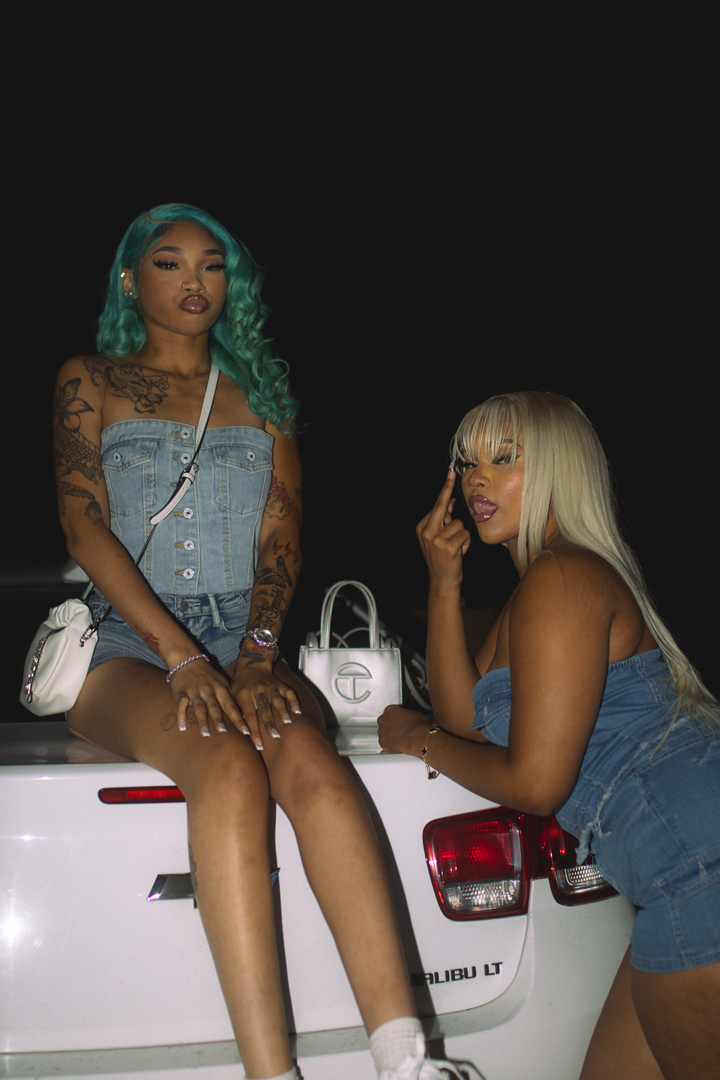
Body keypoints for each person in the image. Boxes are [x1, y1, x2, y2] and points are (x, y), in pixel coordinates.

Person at [55, 204, 465, 1080]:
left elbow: (282, 535)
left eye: (213, 264)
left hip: (247, 634)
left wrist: (254, 651)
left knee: (310, 758)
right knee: (229, 765)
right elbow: (84, 527)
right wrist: (184, 658)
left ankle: (405, 1059)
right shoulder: (90, 379)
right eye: (170, 262)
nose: (194, 280)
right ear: (131, 279)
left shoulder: (263, 398)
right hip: (130, 642)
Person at [378, 391, 720, 1080]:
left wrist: (416, 740)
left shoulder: (562, 578)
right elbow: (467, 718)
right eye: (466, 463)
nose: (476, 480)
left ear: (560, 470)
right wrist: (444, 582)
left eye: (503, 459)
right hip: (681, 875)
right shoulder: (541, 586)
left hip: (696, 874)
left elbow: (534, 785)